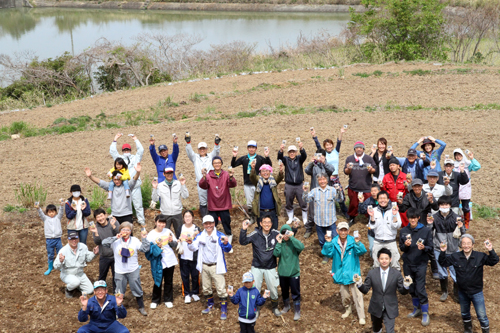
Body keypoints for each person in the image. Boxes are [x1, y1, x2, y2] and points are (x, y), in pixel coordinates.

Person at [439, 234, 499, 333]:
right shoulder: (456, 256)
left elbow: (494, 261)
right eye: (464, 243)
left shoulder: (480, 256)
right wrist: (443, 251)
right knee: (465, 314)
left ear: (473, 245)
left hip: (477, 292)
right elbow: (443, 262)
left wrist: (490, 249)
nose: (466, 246)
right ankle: (468, 330)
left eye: (468, 243)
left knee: (482, 316)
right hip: (462, 292)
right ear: (461, 245)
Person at [186, 215, 232, 320]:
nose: (208, 225)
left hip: (216, 266)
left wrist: (225, 243)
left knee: (220, 288)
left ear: (214, 223)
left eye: (210, 223)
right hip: (204, 265)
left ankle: (223, 309)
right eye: (206, 223)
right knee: (206, 288)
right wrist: (190, 243)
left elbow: (228, 249)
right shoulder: (201, 235)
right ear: (203, 225)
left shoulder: (219, 235)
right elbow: (193, 247)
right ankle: (210, 305)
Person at [355, 248, 411, 333]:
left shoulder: (396, 274)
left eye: (386, 258)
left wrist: (406, 286)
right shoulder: (372, 273)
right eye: (381, 259)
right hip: (376, 307)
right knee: (376, 329)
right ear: (378, 260)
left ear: (390, 259)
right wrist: (359, 284)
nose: (384, 261)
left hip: (390, 306)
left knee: (390, 330)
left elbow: (402, 291)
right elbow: (365, 290)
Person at [322, 221, 367, 325]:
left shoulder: (353, 241)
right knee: (344, 295)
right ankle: (348, 309)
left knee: (358, 295)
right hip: (341, 273)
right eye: (341, 230)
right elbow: (327, 254)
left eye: (345, 230)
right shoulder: (333, 242)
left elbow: (362, 251)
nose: (343, 232)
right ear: (337, 231)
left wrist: (357, 243)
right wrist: (328, 243)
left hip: (353, 273)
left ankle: (361, 316)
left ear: (348, 231)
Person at [102, 222, 150, 316]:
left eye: (128, 230)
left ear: (130, 231)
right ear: (120, 230)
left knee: (137, 288)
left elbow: (145, 249)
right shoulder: (115, 241)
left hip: (133, 269)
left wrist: (144, 238)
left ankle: (141, 306)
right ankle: (117, 308)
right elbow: (104, 243)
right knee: (119, 291)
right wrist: (116, 237)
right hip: (120, 270)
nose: (125, 231)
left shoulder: (135, 240)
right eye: (123, 229)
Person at [239, 214, 282, 317]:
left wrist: (293, 229)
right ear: (261, 224)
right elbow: (243, 241)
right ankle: (255, 308)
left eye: (269, 222)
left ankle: (275, 307)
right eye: (265, 222)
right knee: (255, 288)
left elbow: (286, 237)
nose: (267, 224)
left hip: (270, 266)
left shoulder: (276, 233)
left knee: (273, 288)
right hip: (257, 266)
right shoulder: (255, 234)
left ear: (271, 224)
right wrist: (243, 230)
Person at [398, 178, 440, 279]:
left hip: (425, 223)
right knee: (412, 244)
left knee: (429, 246)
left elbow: (436, 208)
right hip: (412, 223)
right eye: (415, 186)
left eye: (419, 186)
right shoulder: (409, 196)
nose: (417, 188)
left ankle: (435, 269)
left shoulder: (427, 195)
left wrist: (432, 201)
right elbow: (403, 209)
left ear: (422, 187)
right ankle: (413, 265)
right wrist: (400, 203)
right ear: (412, 187)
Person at [399, 208, 433, 326]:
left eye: (415, 217)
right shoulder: (403, 230)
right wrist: (405, 245)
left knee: (420, 288)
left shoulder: (425, 231)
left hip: (421, 264)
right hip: (408, 264)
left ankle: (425, 312)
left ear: (418, 218)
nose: (412, 220)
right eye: (410, 217)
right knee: (411, 288)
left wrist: (424, 248)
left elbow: (431, 247)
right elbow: (401, 248)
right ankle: (416, 309)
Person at [430, 196, 466, 303]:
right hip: (439, 248)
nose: (444, 207)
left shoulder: (456, 217)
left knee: (455, 271)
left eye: (446, 205)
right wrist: (429, 224)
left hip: (453, 248)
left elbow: (463, 233)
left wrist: (461, 226)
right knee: (442, 271)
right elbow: (429, 232)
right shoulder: (434, 217)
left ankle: (456, 293)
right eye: (442, 205)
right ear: (439, 206)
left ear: (450, 206)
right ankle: (444, 291)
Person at [303, 173, 343, 264]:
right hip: (319, 221)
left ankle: (336, 254)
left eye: (324, 179)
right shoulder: (314, 191)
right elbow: (306, 200)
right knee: (322, 240)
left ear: (327, 180)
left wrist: (339, 191)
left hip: (330, 221)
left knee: (334, 238)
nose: (322, 181)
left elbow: (339, 200)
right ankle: (326, 254)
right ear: (318, 181)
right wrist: (305, 191)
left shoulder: (332, 190)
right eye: (320, 180)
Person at [199, 156, 237, 245]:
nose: (217, 164)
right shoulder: (208, 175)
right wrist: (204, 177)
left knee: (226, 221)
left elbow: (233, 184)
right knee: (212, 222)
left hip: (224, 203)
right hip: (213, 204)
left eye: (218, 163)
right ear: (212, 164)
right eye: (215, 163)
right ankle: (211, 238)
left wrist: (231, 177)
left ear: (221, 164)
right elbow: (202, 185)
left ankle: (229, 237)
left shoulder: (226, 174)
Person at [311, 126, 348, 217]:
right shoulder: (324, 154)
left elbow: (339, 142)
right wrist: (314, 136)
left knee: (340, 195)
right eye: (327, 145)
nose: (329, 146)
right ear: (325, 147)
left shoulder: (336, 151)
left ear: (332, 145)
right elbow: (318, 145)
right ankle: (330, 212)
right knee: (327, 196)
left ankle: (345, 212)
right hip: (327, 178)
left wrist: (341, 132)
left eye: (330, 144)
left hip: (335, 178)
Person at [231, 140, 272, 221]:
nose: (251, 149)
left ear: (256, 149)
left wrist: (267, 156)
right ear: (247, 148)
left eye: (253, 147)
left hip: (258, 183)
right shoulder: (244, 158)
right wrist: (234, 156)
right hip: (247, 183)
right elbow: (233, 165)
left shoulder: (259, 158)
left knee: (259, 200)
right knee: (249, 202)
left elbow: (269, 165)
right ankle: (252, 216)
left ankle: (260, 216)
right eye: (250, 147)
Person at [110, 133, 145, 226]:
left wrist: (135, 139)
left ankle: (141, 221)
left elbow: (141, 150)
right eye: (124, 150)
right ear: (122, 151)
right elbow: (112, 151)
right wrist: (115, 139)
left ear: (130, 150)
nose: (126, 151)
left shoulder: (135, 158)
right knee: (122, 205)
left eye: (128, 149)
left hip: (135, 185)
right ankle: (121, 222)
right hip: (123, 187)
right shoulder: (120, 159)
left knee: (138, 205)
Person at [145, 214, 178, 309]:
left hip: (169, 259)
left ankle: (168, 299)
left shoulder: (168, 231)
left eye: (163, 223)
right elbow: (147, 248)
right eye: (160, 222)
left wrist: (171, 241)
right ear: (155, 222)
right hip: (157, 260)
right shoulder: (151, 234)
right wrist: (156, 247)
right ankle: (155, 300)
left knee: (168, 280)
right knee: (157, 279)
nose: (162, 224)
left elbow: (175, 244)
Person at [185, 133, 221, 217]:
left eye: (204, 148)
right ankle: (205, 218)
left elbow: (216, 151)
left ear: (207, 149)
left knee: (214, 199)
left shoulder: (211, 156)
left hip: (212, 182)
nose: (202, 150)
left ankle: (215, 217)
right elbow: (189, 152)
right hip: (201, 183)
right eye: (200, 148)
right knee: (203, 201)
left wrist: (216, 144)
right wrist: (188, 143)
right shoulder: (195, 158)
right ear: (198, 150)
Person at [54, 231, 98, 298]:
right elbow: (56, 266)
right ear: (68, 240)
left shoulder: (83, 247)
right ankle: (68, 290)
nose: (74, 241)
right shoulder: (63, 251)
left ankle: (76, 286)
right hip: (67, 274)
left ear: (78, 239)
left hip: (80, 274)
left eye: (75, 238)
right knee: (75, 282)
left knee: (90, 290)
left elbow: (88, 258)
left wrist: (94, 254)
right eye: (71, 239)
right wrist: (60, 261)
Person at [274, 224, 304, 321]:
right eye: (283, 233)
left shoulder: (294, 243)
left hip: (294, 273)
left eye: (287, 233)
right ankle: (286, 306)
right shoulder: (280, 243)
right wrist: (278, 242)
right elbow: (276, 254)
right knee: (284, 291)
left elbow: (301, 247)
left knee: (295, 292)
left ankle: (297, 310)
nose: (285, 235)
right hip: (283, 273)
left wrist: (292, 237)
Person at [304, 149, 335, 238]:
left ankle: (327, 228)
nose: (319, 158)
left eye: (321, 156)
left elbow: (332, 170)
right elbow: (306, 171)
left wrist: (324, 162)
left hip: (326, 193)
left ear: (324, 156)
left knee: (325, 211)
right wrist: (311, 163)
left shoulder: (327, 165)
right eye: (317, 155)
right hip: (315, 191)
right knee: (312, 211)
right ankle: (309, 228)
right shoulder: (314, 166)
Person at [367, 191, 402, 270]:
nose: (382, 200)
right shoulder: (374, 210)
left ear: (388, 199)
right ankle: (377, 281)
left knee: (395, 264)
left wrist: (394, 215)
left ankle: (397, 281)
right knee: (376, 264)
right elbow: (371, 226)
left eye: (384, 198)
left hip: (391, 241)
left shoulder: (394, 210)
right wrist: (372, 216)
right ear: (377, 200)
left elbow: (397, 226)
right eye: (380, 198)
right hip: (378, 241)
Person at [344, 141, 376, 226]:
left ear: (363, 149)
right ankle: (352, 218)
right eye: (357, 148)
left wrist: (371, 170)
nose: (359, 149)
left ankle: (369, 218)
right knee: (353, 204)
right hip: (354, 186)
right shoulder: (349, 158)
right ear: (354, 149)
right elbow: (346, 172)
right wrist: (348, 169)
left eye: (360, 148)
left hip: (366, 186)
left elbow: (374, 170)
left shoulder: (368, 158)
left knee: (368, 204)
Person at [151, 167, 189, 237]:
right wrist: (155, 188)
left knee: (180, 234)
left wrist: (183, 184)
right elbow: (155, 199)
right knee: (164, 234)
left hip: (177, 213)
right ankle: (166, 247)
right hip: (165, 214)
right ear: (164, 174)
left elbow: (185, 196)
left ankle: (180, 247)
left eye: (171, 173)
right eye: (167, 173)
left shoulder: (178, 183)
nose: (169, 175)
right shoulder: (160, 185)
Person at [277, 142, 307, 224]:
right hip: (289, 185)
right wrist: (281, 150)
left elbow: (304, 156)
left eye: (293, 151)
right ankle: (290, 218)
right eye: (290, 152)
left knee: (303, 201)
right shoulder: (286, 159)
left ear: (296, 152)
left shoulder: (299, 159)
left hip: (299, 184)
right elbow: (279, 158)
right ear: (288, 153)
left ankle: (305, 219)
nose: (292, 153)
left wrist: (302, 149)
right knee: (288, 201)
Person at [249, 163, 284, 230]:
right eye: (263, 171)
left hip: (272, 211)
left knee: (274, 230)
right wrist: (253, 169)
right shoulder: (258, 181)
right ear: (260, 173)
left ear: (270, 172)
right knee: (261, 230)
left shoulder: (273, 181)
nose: (265, 172)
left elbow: (280, 177)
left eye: (267, 171)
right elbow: (252, 177)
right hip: (261, 211)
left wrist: (281, 171)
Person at [91, 208, 119, 292]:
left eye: (101, 216)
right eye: (98, 217)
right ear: (96, 219)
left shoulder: (113, 222)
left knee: (116, 276)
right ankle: (100, 292)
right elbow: (97, 242)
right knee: (102, 276)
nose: (100, 218)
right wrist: (96, 233)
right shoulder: (96, 227)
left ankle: (116, 293)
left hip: (115, 255)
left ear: (105, 215)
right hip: (104, 255)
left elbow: (119, 235)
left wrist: (114, 226)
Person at [177, 210, 201, 303]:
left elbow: (200, 241)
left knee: (195, 275)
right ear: (183, 218)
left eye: (189, 216)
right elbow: (177, 239)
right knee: (185, 276)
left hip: (194, 256)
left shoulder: (196, 228)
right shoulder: (180, 228)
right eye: (185, 216)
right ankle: (187, 293)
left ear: (193, 218)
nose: (187, 218)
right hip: (183, 256)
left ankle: (195, 292)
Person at [453, 148, 481, 229]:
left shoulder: (467, 164)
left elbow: (477, 167)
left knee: (465, 207)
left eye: (459, 155)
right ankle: (457, 222)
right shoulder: (453, 165)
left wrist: (472, 158)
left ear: (462, 155)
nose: (458, 157)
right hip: (456, 187)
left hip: (465, 188)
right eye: (456, 155)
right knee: (455, 206)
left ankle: (466, 223)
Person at [36, 200, 64, 275]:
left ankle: (60, 266)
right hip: (49, 240)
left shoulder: (58, 218)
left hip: (58, 239)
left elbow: (61, 212)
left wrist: (61, 205)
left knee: (60, 253)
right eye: (49, 212)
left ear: (55, 212)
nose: (51, 213)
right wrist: (38, 208)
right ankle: (50, 267)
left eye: (53, 212)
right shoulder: (45, 219)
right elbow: (41, 214)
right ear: (47, 213)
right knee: (50, 254)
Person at [382, 156, 409, 227]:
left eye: (393, 165)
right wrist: (381, 186)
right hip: (390, 203)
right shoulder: (386, 177)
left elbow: (408, 191)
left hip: (401, 203)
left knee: (404, 221)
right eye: (390, 165)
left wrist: (408, 187)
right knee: (390, 222)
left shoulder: (404, 176)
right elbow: (383, 190)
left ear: (398, 166)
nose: (392, 167)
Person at [358, 183, 381, 256]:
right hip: (372, 230)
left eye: (375, 191)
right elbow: (362, 211)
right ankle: (374, 263)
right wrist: (361, 202)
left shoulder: (384, 200)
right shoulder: (368, 201)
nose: (373, 193)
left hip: (382, 229)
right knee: (372, 248)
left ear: (379, 191)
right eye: (372, 191)